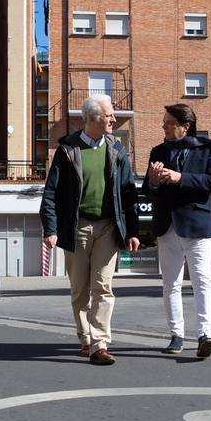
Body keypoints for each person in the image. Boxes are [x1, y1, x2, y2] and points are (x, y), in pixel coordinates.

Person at [40, 93, 141, 366]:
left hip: (108, 227)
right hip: (76, 227)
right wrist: (51, 229)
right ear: (94, 118)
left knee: (103, 286)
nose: (114, 119)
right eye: (109, 115)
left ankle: (99, 343)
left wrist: (132, 230)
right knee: (80, 290)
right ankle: (85, 337)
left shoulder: (117, 150)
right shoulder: (67, 150)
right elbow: (51, 193)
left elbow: (128, 193)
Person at [147, 103, 211, 357]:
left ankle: (205, 335)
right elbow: (148, 191)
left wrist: (181, 178)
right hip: (167, 225)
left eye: (169, 123)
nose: (164, 126)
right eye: (164, 121)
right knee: (171, 283)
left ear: (185, 126)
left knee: (202, 282)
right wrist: (154, 182)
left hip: (197, 225)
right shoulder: (157, 151)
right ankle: (176, 335)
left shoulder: (209, 149)